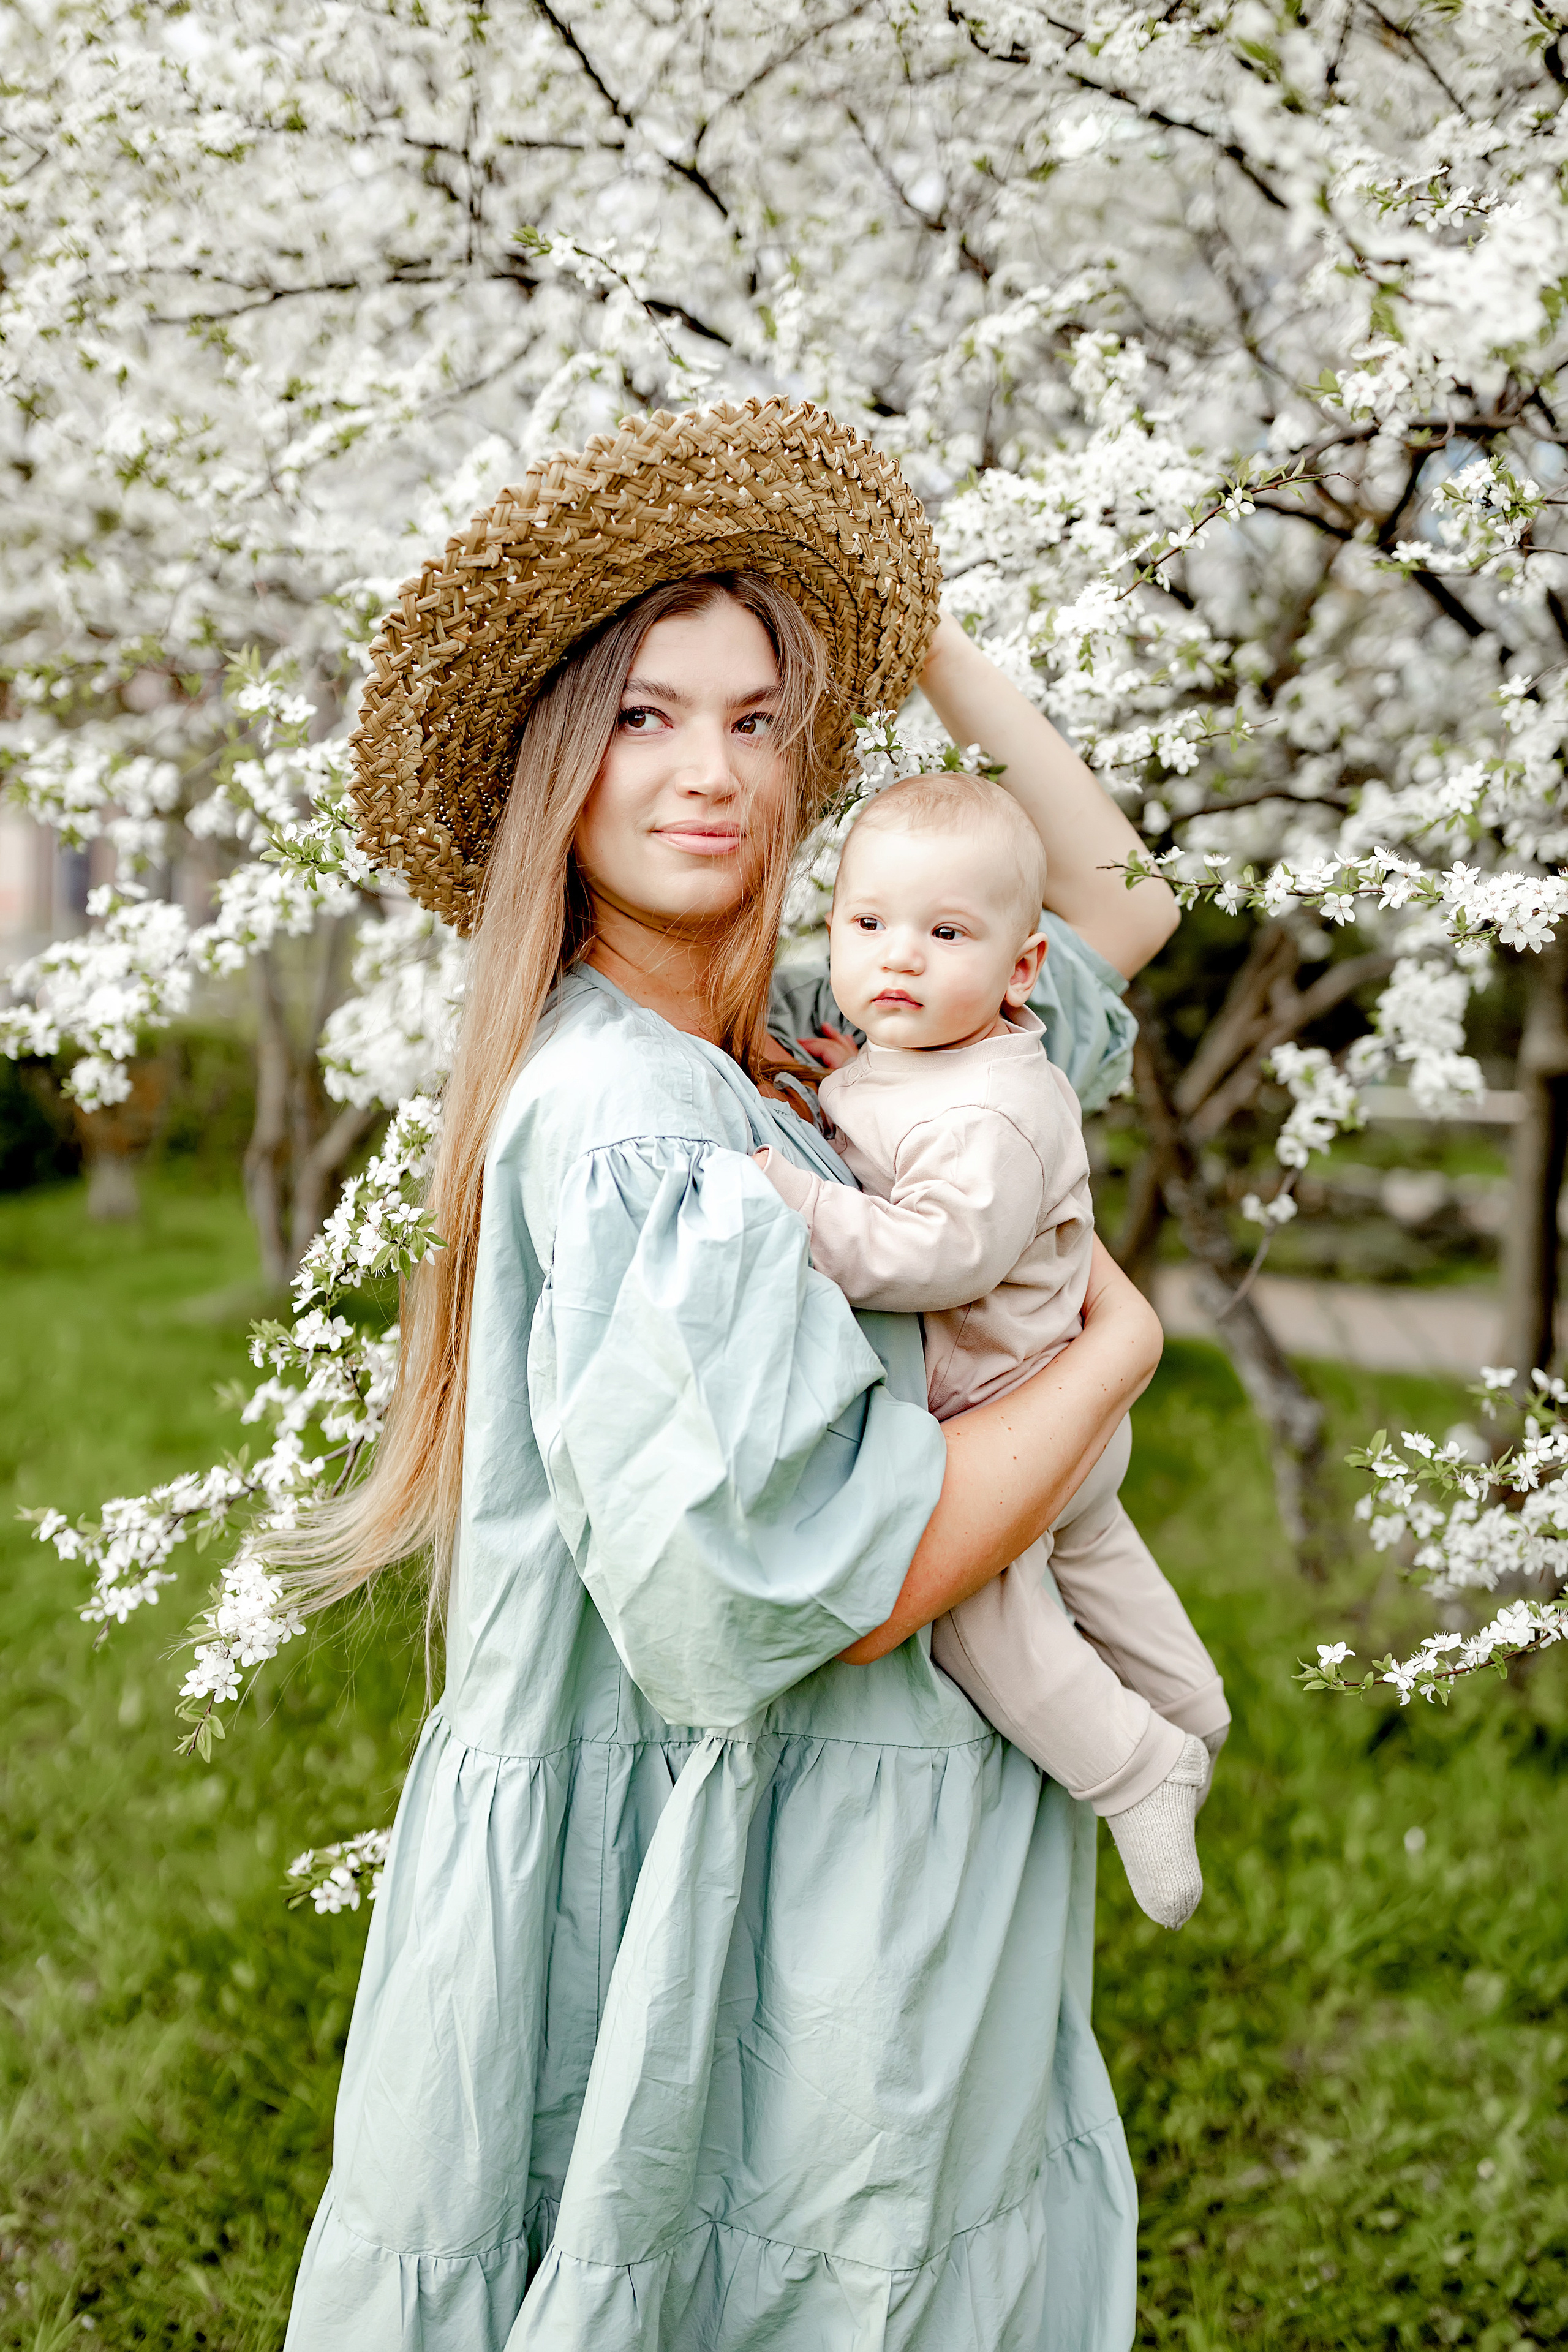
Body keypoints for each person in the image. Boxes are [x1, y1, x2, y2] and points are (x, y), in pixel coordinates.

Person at [281, 398, 1181, 2352]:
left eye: (762, 720)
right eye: (644, 714)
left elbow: (1114, 898)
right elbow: (830, 1589)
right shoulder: (636, 1120)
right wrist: (1114, 1352)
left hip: (854, 1843)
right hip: (731, 1872)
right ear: (553, 769)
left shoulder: (805, 1041)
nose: (712, 773)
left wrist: (917, 632)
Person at [752, 766, 1229, 1932]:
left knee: (983, 1610)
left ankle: (1136, 1765)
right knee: (1101, 1565)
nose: (898, 958)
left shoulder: (995, 1109)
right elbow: (885, 1116)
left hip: (1018, 1420)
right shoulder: (926, 1059)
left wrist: (803, 1205)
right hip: (1058, 1410)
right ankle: (1192, 1706)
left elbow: (937, 1255)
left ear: (1023, 971)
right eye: (868, 925)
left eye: (945, 933)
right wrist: (837, 1093)